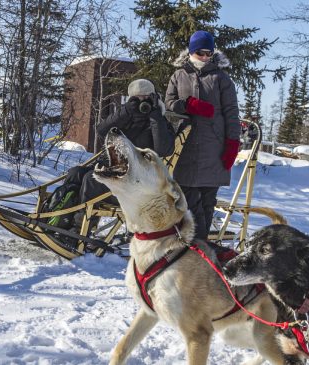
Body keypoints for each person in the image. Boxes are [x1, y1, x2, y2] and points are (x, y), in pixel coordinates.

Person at [67, 79, 175, 234]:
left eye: (146, 97)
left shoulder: (160, 120)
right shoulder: (125, 117)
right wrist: (125, 112)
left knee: (92, 180)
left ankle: (80, 230)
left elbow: (163, 149)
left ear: (154, 97)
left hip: (138, 185)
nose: (142, 102)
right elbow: (101, 131)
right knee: (75, 173)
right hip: (117, 172)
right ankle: (62, 222)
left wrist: (155, 117)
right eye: (138, 98)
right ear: (131, 99)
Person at [165, 30, 241, 241]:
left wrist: (232, 143)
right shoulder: (178, 76)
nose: (206, 57)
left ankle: (201, 247)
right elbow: (168, 104)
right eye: (201, 53)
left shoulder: (221, 78)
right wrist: (188, 105)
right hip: (185, 148)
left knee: (207, 202)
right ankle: (191, 243)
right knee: (187, 199)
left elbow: (232, 113)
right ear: (191, 52)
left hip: (213, 149)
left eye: (209, 53)